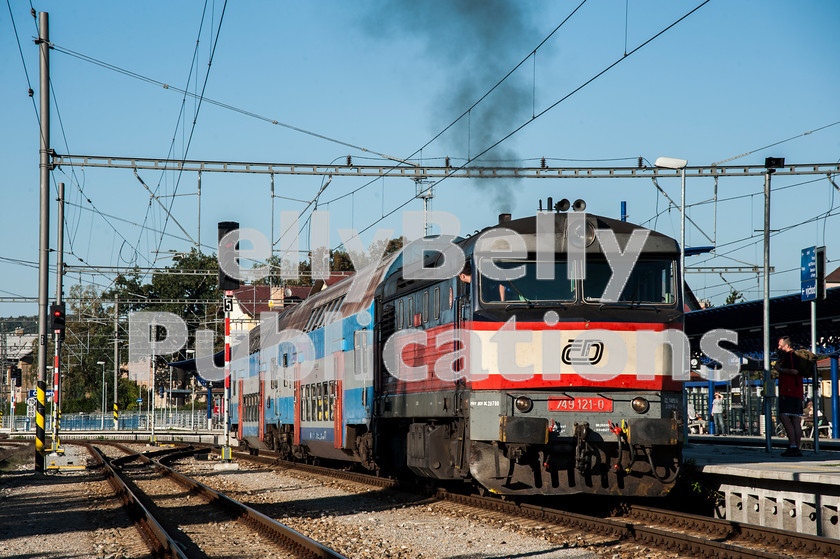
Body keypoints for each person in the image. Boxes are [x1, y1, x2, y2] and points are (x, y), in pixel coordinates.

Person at [775, 336, 808, 457]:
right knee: (795, 419)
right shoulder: (793, 356)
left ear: (787, 346)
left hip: (789, 391)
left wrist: (780, 369)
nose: (779, 348)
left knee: (783, 416)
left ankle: (793, 446)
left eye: (780, 345)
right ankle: (796, 447)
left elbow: (794, 372)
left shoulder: (790, 356)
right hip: (796, 392)